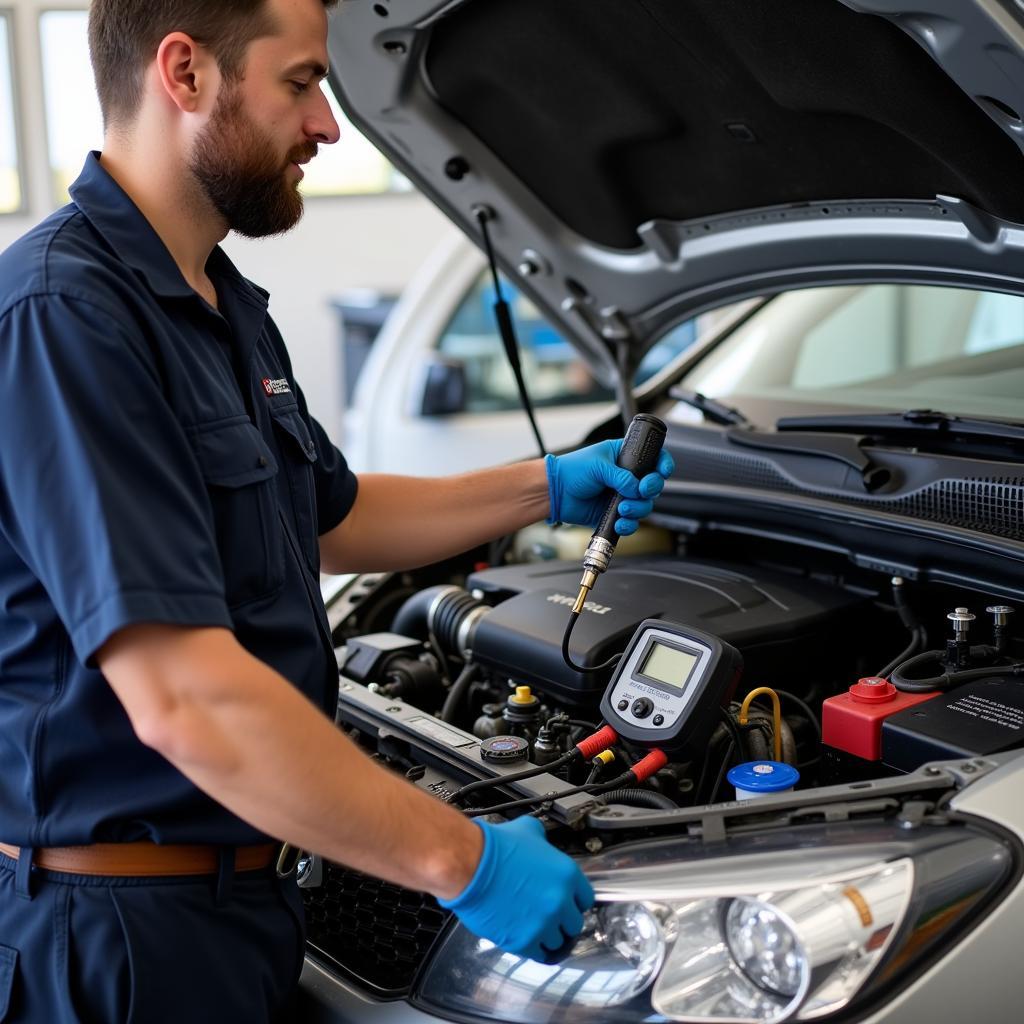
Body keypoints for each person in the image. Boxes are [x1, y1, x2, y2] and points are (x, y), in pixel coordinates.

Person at [0, 0, 675, 1020]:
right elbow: (184, 698)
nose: (326, 125)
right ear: (185, 74)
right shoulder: (68, 318)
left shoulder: (220, 306)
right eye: (302, 82)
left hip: (245, 901)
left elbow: (330, 517)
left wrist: (547, 482)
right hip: (123, 940)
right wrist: (466, 860)